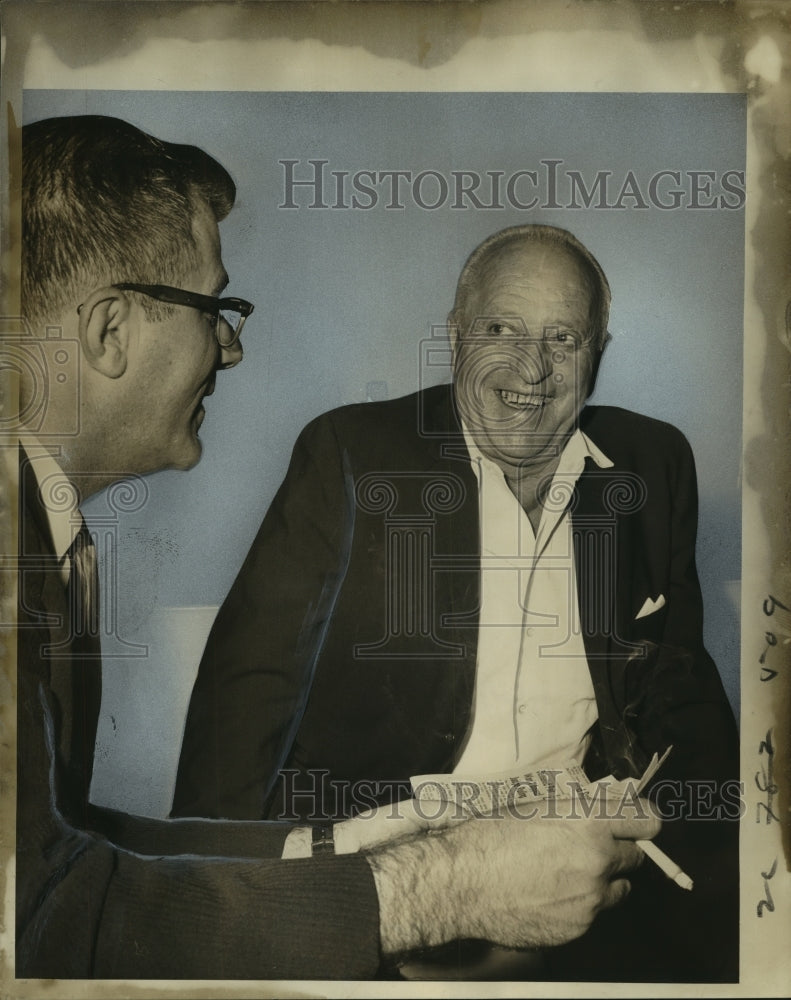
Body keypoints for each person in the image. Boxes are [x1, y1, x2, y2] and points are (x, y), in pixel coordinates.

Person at [11, 116, 661, 981]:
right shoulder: (350, 454)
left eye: (562, 340)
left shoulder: (46, 536)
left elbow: (64, 849)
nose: (232, 348)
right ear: (108, 333)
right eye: (216, 309)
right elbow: (47, 915)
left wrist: (353, 839)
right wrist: (446, 886)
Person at [174, 223, 739, 981]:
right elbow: (245, 702)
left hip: (582, 915)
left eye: (563, 337)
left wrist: (709, 877)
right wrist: (217, 919)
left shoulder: (652, 463)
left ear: (597, 352)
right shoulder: (352, 453)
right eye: (499, 328)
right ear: (453, 336)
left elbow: (677, 683)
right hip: (394, 903)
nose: (529, 367)